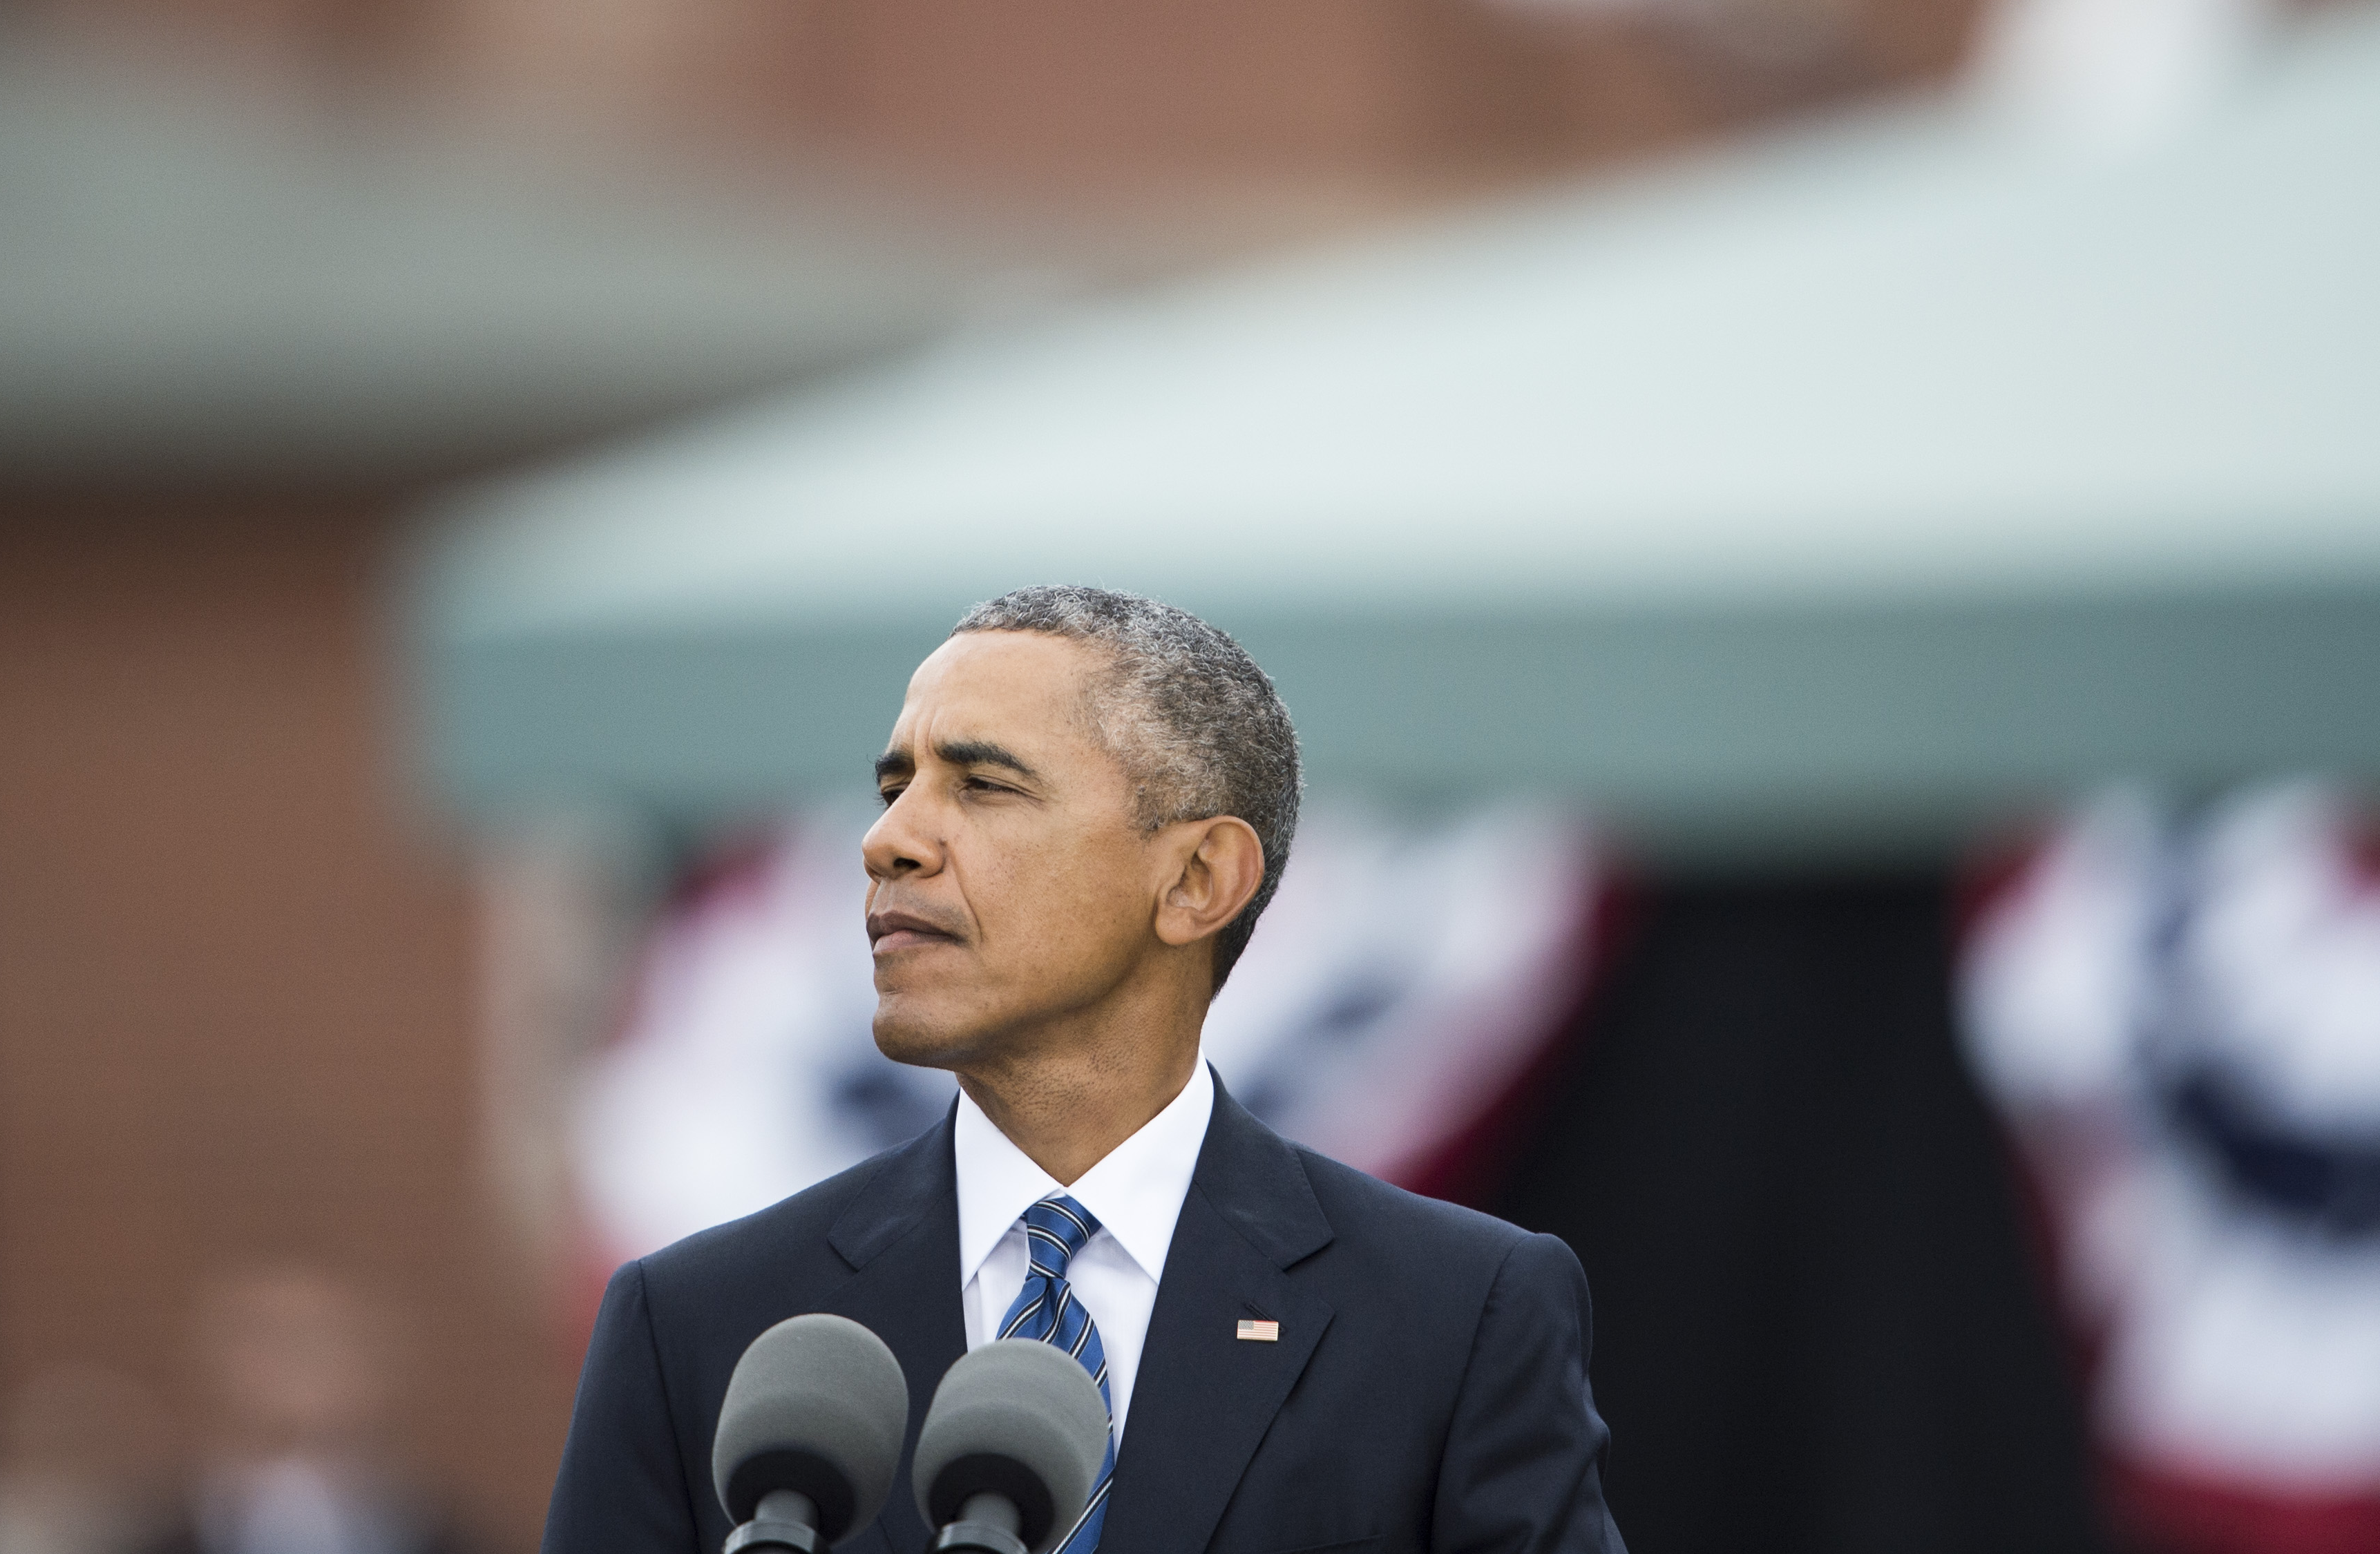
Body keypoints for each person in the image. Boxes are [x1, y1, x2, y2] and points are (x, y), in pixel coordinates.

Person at [544, 586, 1623, 1553]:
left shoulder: (1453, 1311)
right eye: (893, 785)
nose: (890, 839)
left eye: (981, 784)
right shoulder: (695, 1319)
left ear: (1198, 877)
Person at [132, 1263, 476, 1554]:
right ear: (204, 1363)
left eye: (314, 1340)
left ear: (375, 1366)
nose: (288, 1365)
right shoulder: (141, 1531)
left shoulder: (452, 1533)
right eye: (263, 1338)